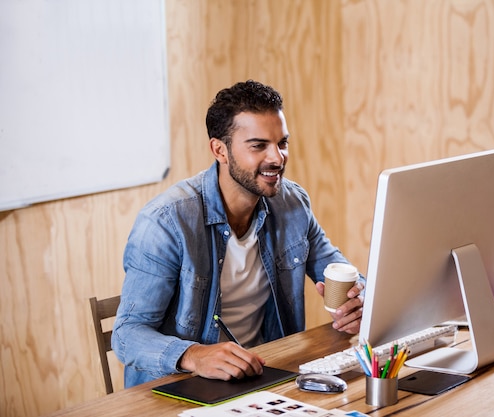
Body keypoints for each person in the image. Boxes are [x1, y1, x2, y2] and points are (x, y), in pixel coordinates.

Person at [112, 80, 365, 388]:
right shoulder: (166, 222)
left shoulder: (292, 204)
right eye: (259, 146)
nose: (277, 158)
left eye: (282, 143)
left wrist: (359, 299)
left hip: (267, 374)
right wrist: (193, 354)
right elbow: (127, 335)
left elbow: (338, 269)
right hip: (182, 387)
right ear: (220, 150)